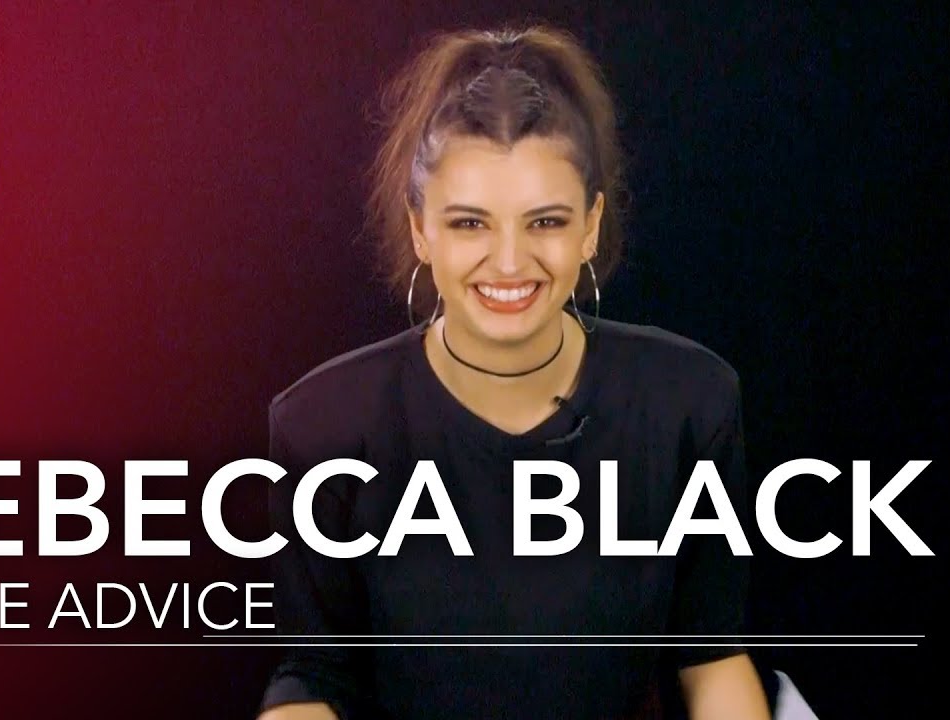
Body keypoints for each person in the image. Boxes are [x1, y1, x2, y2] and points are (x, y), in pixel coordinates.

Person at [256, 23, 773, 720]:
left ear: (590, 225)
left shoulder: (690, 401)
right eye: (470, 223)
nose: (508, 262)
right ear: (421, 228)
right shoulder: (320, 426)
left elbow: (710, 655)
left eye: (545, 222)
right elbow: (314, 673)